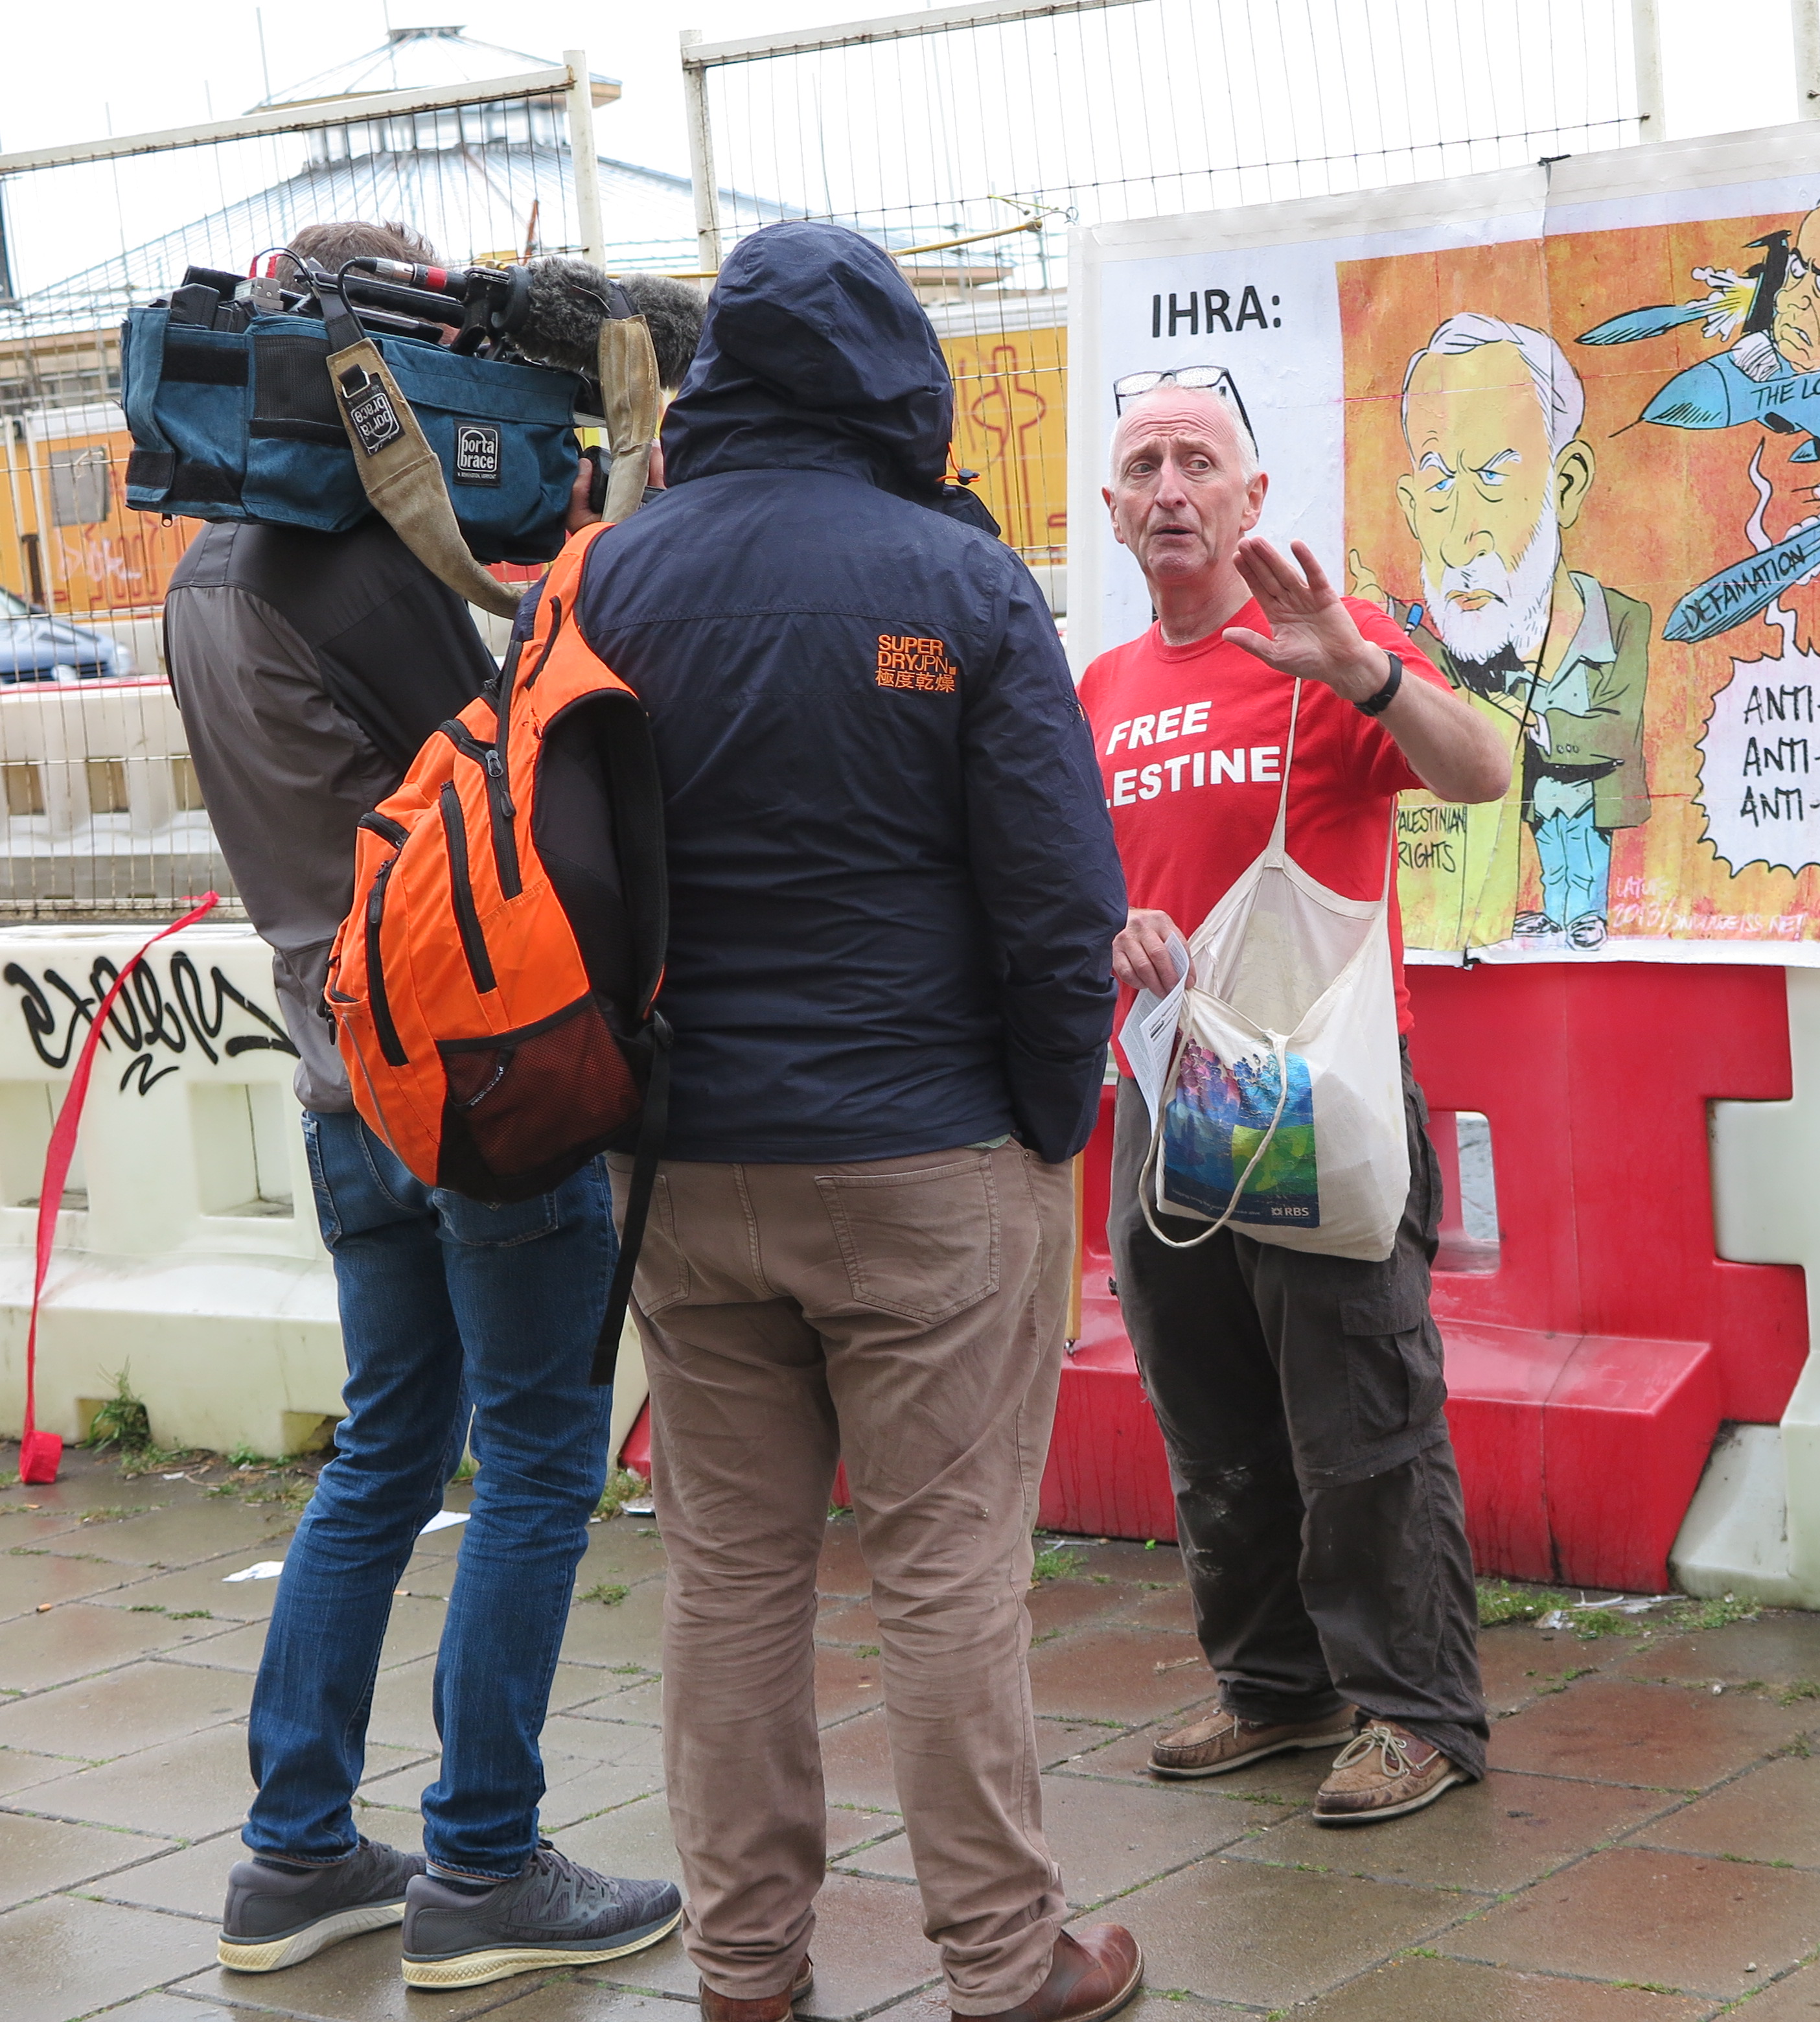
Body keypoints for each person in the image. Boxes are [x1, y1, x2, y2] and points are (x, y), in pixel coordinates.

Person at [573, 220, 1137, 2022]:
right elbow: (1061, 909)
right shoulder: (961, 586)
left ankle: (747, 1972)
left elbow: (552, 875)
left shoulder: (595, 581)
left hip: (679, 1165)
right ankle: (1004, 1962)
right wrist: (1046, 1129)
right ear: (903, 369)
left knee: (731, 1577)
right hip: (925, 1158)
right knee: (948, 1575)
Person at [165, 218, 680, 1985]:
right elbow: (522, 765)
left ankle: (294, 1852)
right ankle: (484, 1862)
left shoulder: (209, 570)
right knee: (536, 1456)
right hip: (489, 1083)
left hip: (335, 1072)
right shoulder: (378, 571)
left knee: (387, 1453)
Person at [1085, 375, 1510, 1824]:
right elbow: (1075, 888)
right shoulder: (1102, 691)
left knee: (1361, 1409)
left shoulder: (1324, 649)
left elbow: (1484, 771)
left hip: (1320, 1088)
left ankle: (1418, 1712)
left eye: (1197, 461)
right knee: (1208, 1418)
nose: (1170, 490)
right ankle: (1273, 1688)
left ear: (1252, 498)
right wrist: (1108, 934)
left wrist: (1367, 675)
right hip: (1165, 1096)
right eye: (1143, 465)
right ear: (1112, 511)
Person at [1355, 312, 1651, 949]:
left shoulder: (1621, 622)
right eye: (1438, 480)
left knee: (1577, 851)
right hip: (1518, 828)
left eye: (1492, 475)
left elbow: (1619, 734)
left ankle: (1583, 913)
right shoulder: (1444, 644)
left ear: (1564, 485)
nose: (1462, 536)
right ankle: (1554, 908)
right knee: (1546, 845)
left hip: (1578, 797)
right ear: (1410, 506)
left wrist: (1537, 723)